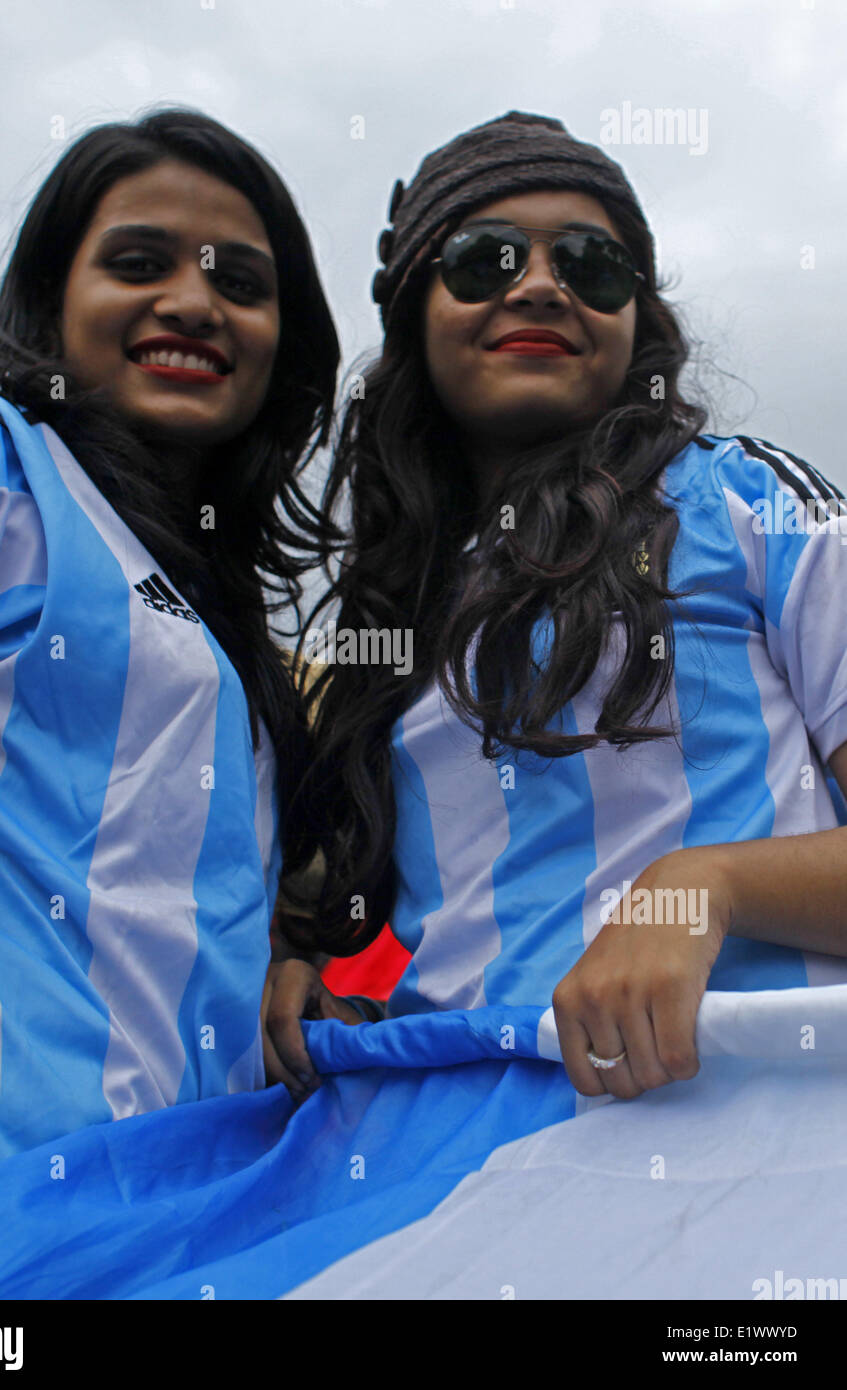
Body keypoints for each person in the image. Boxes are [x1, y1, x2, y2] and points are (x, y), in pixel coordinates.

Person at [266, 110, 847, 1107]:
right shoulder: (389, 603)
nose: (540, 284)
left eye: (593, 263)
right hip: (433, 1151)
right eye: (484, 258)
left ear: (636, 318)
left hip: (746, 1135)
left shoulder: (760, 505)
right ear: (415, 314)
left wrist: (705, 886)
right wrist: (295, 966)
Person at [0, 106, 338, 1218]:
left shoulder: (228, 630)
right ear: (54, 298)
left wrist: (284, 970)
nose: (192, 301)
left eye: (240, 281)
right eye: (138, 263)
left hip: (199, 1227)